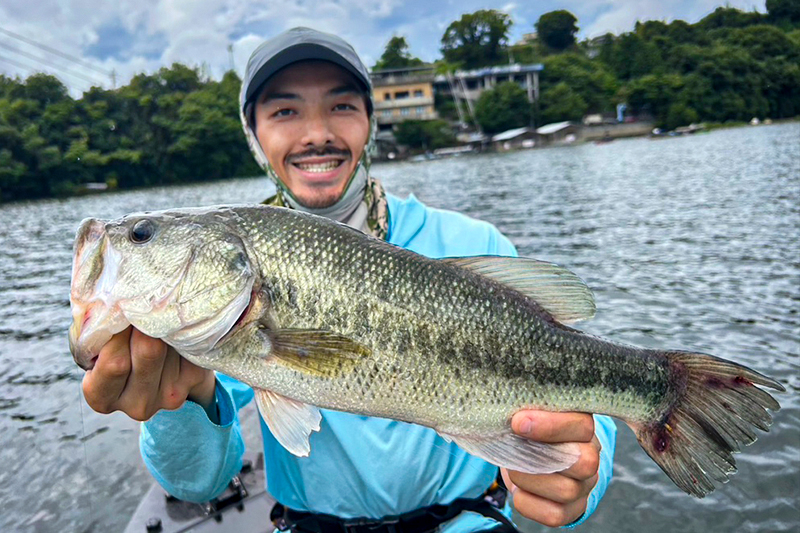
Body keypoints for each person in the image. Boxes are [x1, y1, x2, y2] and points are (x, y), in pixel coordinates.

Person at [82, 27, 616, 532]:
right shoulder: (221, 311)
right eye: (285, 111)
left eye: (341, 105)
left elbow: (581, 388)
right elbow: (198, 480)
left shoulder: (475, 243)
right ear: (253, 135)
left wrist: (580, 479)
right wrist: (183, 402)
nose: (317, 134)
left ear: (370, 122)